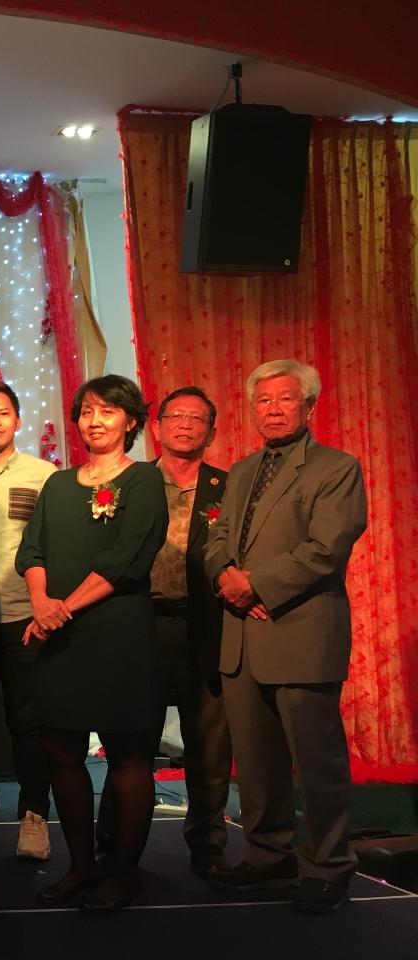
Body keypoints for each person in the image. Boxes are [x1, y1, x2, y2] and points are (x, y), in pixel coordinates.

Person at [204, 360, 366, 914]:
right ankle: (268, 852)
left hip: (298, 632)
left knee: (316, 760)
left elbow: (327, 547)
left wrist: (257, 586)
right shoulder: (243, 469)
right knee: (255, 760)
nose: (272, 409)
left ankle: (328, 864)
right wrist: (226, 578)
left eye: (284, 399)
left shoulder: (337, 468)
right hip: (243, 634)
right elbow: (218, 536)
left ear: (309, 407)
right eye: (262, 401)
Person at [15, 374, 169, 914]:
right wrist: (41, 603)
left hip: (117, 635)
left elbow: (126, 559)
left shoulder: (143, 481)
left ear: (131, 421)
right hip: (59, 636)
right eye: (86, 411)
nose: (95, 420)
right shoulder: (58, 484)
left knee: (129, 758)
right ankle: (80, 865)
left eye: (108, 411)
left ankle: (122, 874)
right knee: (62, 754)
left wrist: (61, 608)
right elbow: (31, 551)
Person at [0, 378, 57, 861]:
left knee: (28, 721)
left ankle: (34, 816)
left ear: (18, 420)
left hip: (24, 617)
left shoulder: (45, 476)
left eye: (3, 413)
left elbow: (55, 548)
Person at [145, 386, 231, 878]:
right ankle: (118, 843)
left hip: (210, 627)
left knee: (210, 744)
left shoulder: (229, 485)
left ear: (211, 431)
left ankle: (209, 843)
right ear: (157, 427)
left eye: (196, 418)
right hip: (144, 625)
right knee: (133, 741)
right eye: (175, 415)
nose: (184, 424)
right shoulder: (132, 483)